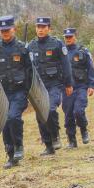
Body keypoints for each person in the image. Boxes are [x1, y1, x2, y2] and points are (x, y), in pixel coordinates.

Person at [26, 17, 72, 156]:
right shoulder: (30, 46)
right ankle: (48, 145)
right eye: (38, 27)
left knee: (50, 109)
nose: (40, 30)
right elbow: (26, 67)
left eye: (43, 27)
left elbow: (66, 64)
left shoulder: (57, 44)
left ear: (49, 28)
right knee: (40, 115)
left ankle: (55, 135)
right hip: (38, 87)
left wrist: (68, 83)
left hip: (54, 85)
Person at [0, 15, 31, 168]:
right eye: (3, 31)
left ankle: (19, 146)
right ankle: (10, 155)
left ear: (13, 29)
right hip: (2, 95)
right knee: (5, 124)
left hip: (18, 92)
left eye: (7, 30)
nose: (5, 33)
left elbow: (30, 72)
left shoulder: (22, 49)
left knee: (13, 117)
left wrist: (28, 93)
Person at [61, 28, 94, 147]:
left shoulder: (82, 51)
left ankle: (83, 129)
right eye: (66, 37)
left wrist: (91, 85)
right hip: (66, 89)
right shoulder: (61, 52)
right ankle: (72, 140)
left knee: (78, 111)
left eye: (70, 37)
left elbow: (90, 68)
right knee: (68, 115)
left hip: (81, 87)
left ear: (75, 37)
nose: (68, 39)